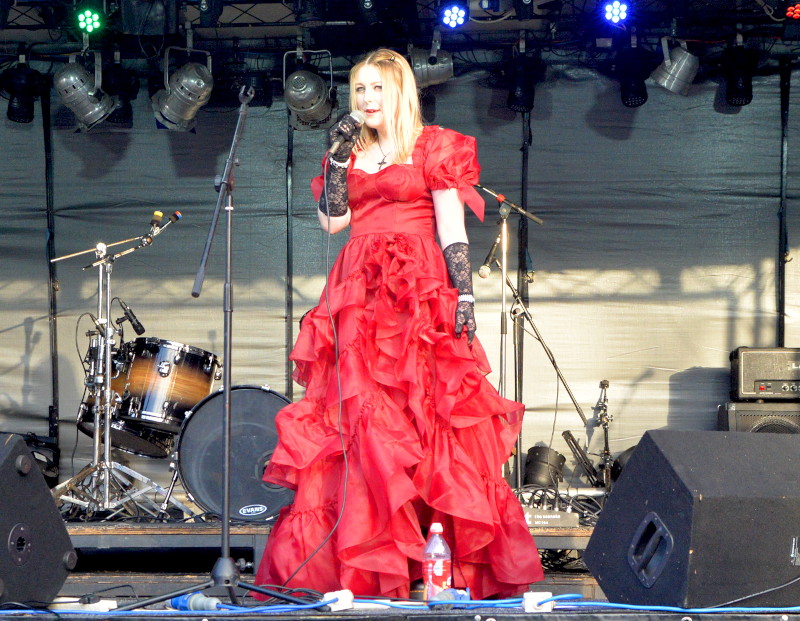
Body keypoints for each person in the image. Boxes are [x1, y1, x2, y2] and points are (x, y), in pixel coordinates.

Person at [254, 48, 543, 600]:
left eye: (375, 89)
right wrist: (338, 159)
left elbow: (451, 227)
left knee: (427, 417)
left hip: (416, 288)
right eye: (358, 89)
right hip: (359, 291)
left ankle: (432, 561)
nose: (364, 99)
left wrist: (463, 294)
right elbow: (334, 221)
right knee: (363, 420)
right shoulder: (348, 152)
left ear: (400, 92)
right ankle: (368, 561)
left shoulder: (433, 146)